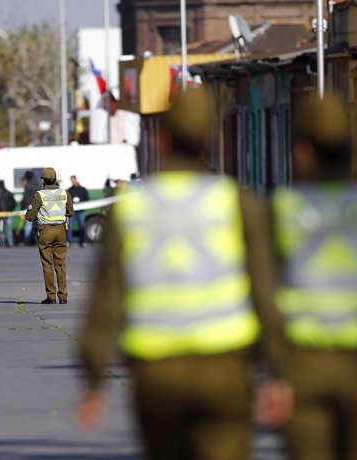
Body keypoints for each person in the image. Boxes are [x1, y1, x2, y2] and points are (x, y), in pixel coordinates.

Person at [76, 87, 280, 460]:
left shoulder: (131, 210)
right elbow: (266, 295)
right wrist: (278, 375)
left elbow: (106, 302)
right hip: (225, 371)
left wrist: (92, 380)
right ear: (209, 140)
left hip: (157, 375)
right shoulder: (237, 203)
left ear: (161, 137)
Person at [263, 92, 357, 460]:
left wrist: (273, 370)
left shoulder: (284, 208)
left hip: (302, 365)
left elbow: (264, 298)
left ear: (303, 150)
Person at [24, 167, 74, 304]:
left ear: (43, 180)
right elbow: (71, 212)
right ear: (55, 179)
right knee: (61, 264)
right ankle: (63, 297)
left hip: (45, 232)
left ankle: (51, 297)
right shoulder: (64, 193)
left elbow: (29, 216)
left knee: (47, 264)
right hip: (61, 231)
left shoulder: (39, 195)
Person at [0, 179, 17, 248]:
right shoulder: (8, 193)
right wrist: (10, 210)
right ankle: (10, 242)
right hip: (6, 212)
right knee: (8, 228)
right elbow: (14, 203)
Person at [67, 175, 89, 247]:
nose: (73, 181)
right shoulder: (69, 190)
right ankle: (69, 242)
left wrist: (81, 203)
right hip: (72, 211)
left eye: (73, 180)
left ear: (76, 179)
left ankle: (82, 242)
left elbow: (87, 199)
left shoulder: (83, 189)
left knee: (82, 226)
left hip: (81, 211)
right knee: (69, 227)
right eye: (71, 180)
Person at [21, 171, 41, 246]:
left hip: (30, 207)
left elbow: (25, 198)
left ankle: (27, 240)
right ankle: (37, 240)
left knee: (28, 225)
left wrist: (23, 207)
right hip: (38, 207)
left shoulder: (28, 185)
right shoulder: (39, 184)